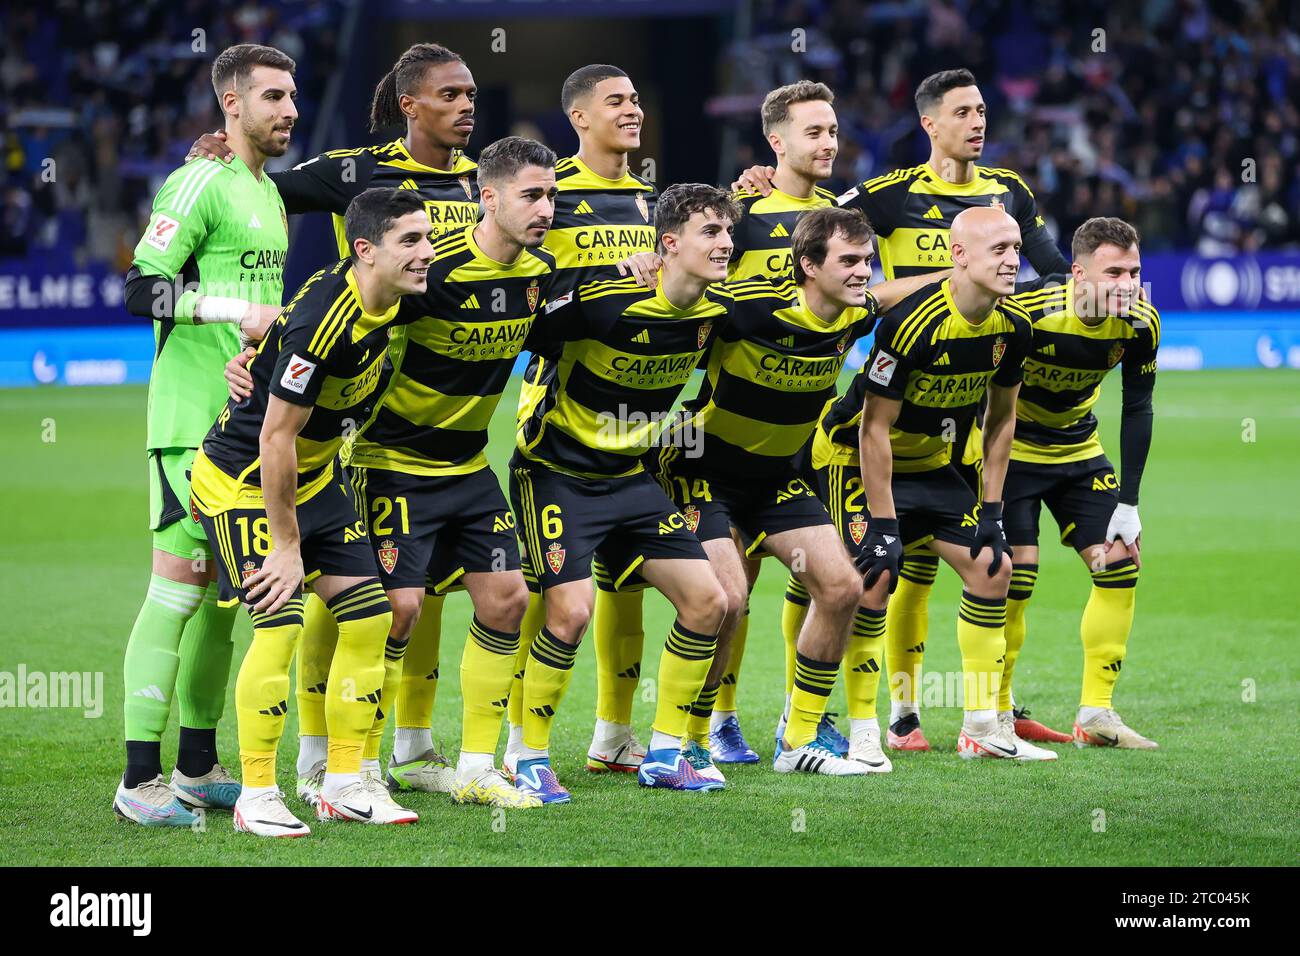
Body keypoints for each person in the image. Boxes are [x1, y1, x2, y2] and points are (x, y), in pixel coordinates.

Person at [192, 43, 482, 793]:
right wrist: (226, 157)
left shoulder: (488, 183)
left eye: (470, 93)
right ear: (410, 104)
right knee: (310, 610)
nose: (466, 106)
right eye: (449, 94)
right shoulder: (355, 173)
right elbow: (254, 200)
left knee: (399, 605)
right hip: (326, 424)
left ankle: (365, 769)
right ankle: (276, 778)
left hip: (410, 409)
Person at [190, 187, 434, 835]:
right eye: (410, 242)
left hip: (315, 471)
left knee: (369, 619)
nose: (426, 254)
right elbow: (274, 438)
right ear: (365, 251)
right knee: (280, 622)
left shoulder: (394, 296)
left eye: (427, 238)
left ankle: (344, 782)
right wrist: (285, 544)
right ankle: (257, 795)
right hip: (246, 479)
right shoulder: (324, 320)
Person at [506, 184, 742, 801]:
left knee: (709, 602)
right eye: (710, 233)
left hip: (631, 478)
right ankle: (525, 755)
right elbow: (518, 321)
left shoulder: (717, 311)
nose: (724, 244)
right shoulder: (608, 299)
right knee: (572, 610)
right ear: (668, 244)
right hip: (554, 472)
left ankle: (665, 753)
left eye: (727, 232)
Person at [113, 43, 293, 827]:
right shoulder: (200, 181)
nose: (288, 110)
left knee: (229, 599)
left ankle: (194, 762)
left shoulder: (268, 193)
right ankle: (136, 779)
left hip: (247, 429)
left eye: (293, 97)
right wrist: (230, 312)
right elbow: (139, 289)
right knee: (178, 589)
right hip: (189, 425)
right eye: (273, 97)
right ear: (231, 104)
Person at [822, 207, 1054, 760]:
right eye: (997, 248)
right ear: (959, 255)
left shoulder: (1013, 327)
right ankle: (865, 732)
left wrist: (993, 512)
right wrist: (882, 524)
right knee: (876, 577)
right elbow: (871, 429)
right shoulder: (911, 322)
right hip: (853, 459)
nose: (1012, 259)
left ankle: (982, 729)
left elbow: (1001, 422)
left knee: (995, 567)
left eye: (1016, 247)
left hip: (932, 464)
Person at [1002, 217, 1160, 749]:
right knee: (1012, 580)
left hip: (1078, 452)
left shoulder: (1140, 323)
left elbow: (1138, 408)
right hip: (1013, 456)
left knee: (1118, 565)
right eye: (1113, 272)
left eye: (1134, 271)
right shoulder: (1027, 313)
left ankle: (1097, 715)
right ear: (1077, 274)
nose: (1128, 284)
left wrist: (1130, 503)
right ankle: (998, 711)